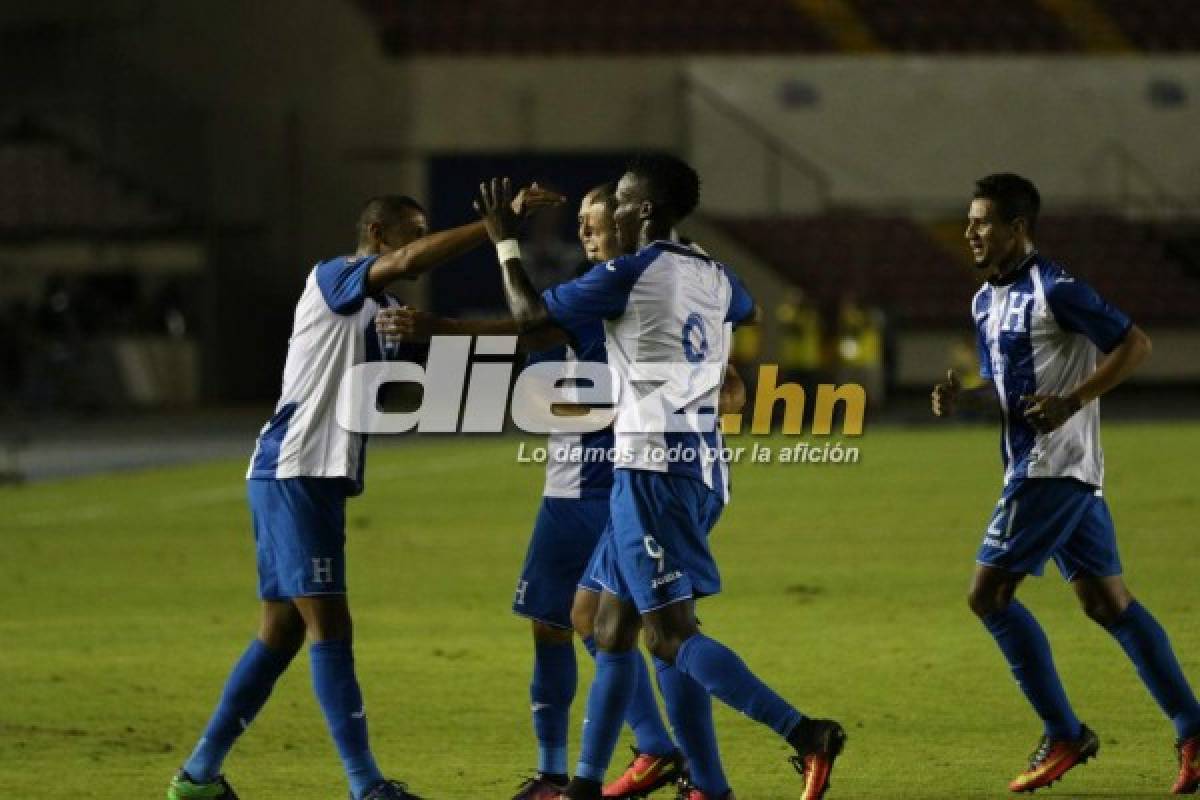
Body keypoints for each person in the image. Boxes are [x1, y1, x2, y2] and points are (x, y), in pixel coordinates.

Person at [469, 155, 846, 800]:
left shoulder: (632, 273)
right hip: (694, 466)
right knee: (599, 618)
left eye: (618, 200)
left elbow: (530, 320)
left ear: (642, 210)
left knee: (670, 637)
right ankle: (590, 786)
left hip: (654, 469)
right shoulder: (716, 271)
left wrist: (504, 241)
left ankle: (805, 732)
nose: (609, 211)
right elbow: (746, 311)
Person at [166, 187, 561, 800]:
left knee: (281, 633)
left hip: (307, 477)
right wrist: (492, 229)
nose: (420, 243)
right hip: (297, 470)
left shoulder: (381, 305)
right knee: (330, 627)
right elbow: (412, 263)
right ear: (378, 235)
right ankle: (365, 785)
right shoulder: (334, 278)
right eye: (413, 230)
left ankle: (198, 775)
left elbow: (404, 364)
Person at [378, 184, 745, 799]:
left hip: (602, 487)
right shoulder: (613, 293)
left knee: (633, 629)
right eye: (579, 222)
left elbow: (534, 332)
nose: (584, 232)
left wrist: (487, 266)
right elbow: (536, 335)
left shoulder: (626, 298)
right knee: (595, 624)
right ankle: (650, 761)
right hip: (584, 482)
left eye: (594, 221)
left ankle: (637, 763)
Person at [932, 173, 1200, 795]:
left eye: (983, 221)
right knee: (1108, 603)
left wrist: (1073, 401)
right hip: (1051, 468)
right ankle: (1193, 728)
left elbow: (1135, 344)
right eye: (969, 221)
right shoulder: (984, 301)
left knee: (987, 596)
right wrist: (967, 398)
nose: (970, 231)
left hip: (1052, 466)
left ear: (1017, 228)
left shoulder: (1056, 287)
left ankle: (1064, 733)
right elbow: (1010, 387)